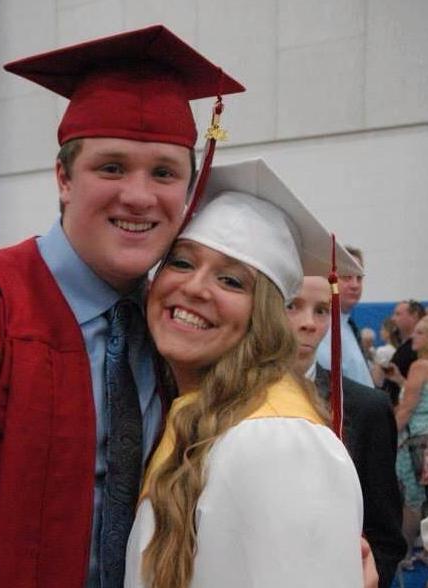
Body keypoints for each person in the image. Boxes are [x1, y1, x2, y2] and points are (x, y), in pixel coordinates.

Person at [0, 26, 245, 587]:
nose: (138, 196)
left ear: (188, 191)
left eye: (164, 173)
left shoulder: (180, 334)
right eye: (111, 167)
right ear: (63, 178)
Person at [125, 159, 370, 587]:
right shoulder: (190, 412)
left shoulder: (276, 441)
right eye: (181, 263)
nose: (195, 287)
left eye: (231, 281)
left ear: (265, 317)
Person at [286, 275, 406, 588]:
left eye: (322, 310)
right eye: (291, 306)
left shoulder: (366, 408)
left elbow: (384, 534)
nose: (308, 323)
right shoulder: (223, 399)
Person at [385, 316, 428, 568]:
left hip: (415, 441)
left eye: (421, 333)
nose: (413, 336)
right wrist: (401, 381)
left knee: (412, 503)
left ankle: (403, 556)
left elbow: (407, 409)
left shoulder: (420, 366)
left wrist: (386, 438)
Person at [316, 246, 374, 387]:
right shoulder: (321, 328)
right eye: (347, 277)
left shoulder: (348, 326)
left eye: (359, 278)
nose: (355, 285)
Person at [385, 300, 427, 405]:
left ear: (414, 316)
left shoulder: (419, 359)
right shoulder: (404, 347)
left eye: (398, 314)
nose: (393, 318)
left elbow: (415, 397)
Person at [371, 317, 399, 389]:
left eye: (382, 329)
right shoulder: (400, 350)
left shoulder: (382, 351)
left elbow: (376, 380)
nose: (380, 332)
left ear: (388, 332)